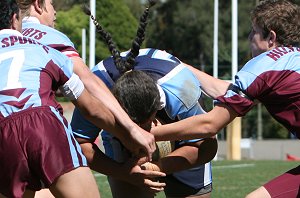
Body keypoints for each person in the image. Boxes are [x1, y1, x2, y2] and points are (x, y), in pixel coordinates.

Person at [150, 0, 300, 197]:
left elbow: (210, 125)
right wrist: (175, 65)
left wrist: (150, 133)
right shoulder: (288, 62)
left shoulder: (264, 65)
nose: (249, 38)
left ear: (271, 37)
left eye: (253, 31)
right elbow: (225, 89)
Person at [71, 4, 217, 198]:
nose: (143, 132)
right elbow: (79, 143)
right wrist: (123, 172)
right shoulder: (94, 89)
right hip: (119, 141)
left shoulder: (181, 88)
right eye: (135, 125)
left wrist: (156, 166)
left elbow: (206, 146)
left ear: (158, 105)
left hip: (182, 139)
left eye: (147, 123)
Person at [0, 0, 123, 197]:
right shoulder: (43, 46)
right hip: (40, 122)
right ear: (15, 20)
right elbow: (91, 105)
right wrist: (131, 133)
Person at [16, 0, 156, 160]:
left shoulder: (7, 34)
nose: (55, 12)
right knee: (78, 183)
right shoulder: (48, 35)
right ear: (37, 4)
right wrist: (130, 130)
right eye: (52, 4)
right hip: (34, 125)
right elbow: (88, 82)